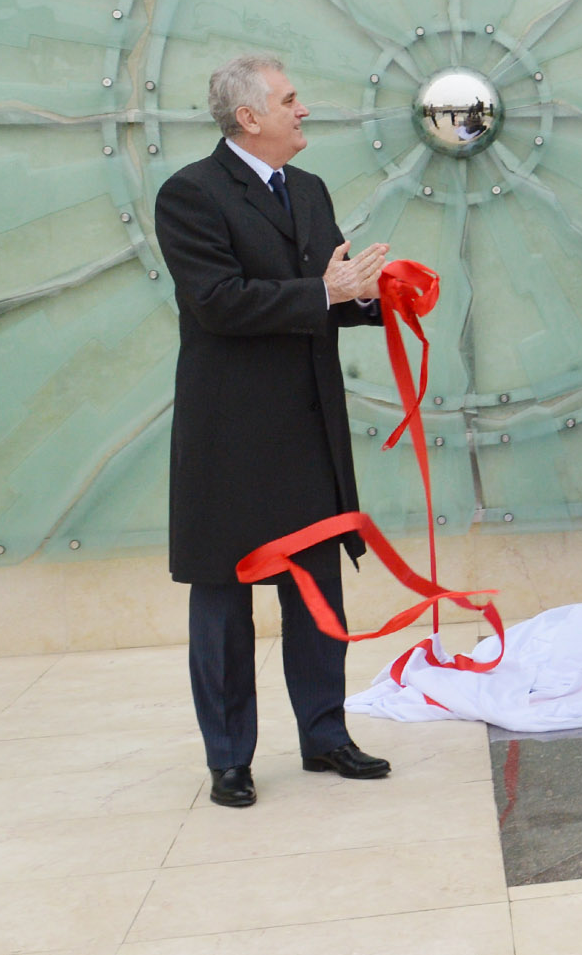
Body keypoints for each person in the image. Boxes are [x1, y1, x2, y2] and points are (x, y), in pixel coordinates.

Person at [155, 54, 397, 809]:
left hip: (308, 424)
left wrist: (382, 296)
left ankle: (326, 735)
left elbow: (328, 290)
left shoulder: (311, 189)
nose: (304, 110)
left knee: (317, 586)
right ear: (248, 117)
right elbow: (218, 302)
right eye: (291, 100)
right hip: (231, 434)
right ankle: (230, 757)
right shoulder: (189, 194)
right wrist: (326, 291)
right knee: (226, 601)